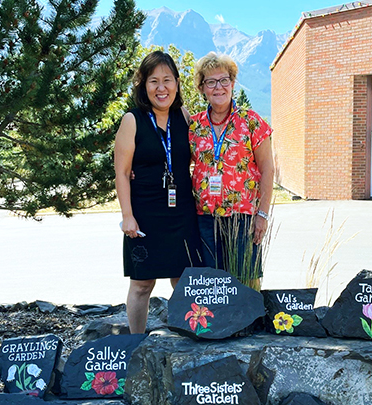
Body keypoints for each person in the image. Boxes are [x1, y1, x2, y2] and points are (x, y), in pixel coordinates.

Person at [114, 51, 202, 333]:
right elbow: (122, 173)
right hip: (145, 214)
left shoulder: (184, 117)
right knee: (142, 284)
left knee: (183, 280)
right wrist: (127, 216)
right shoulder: (132, 120)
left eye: (167, 80)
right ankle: (135, 343)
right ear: (144, 85)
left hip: (181, 212)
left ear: (177, 83)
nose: (161, 88)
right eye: (154, 81)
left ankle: (183, 338)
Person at [189, 52, 274, 289]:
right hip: (205, 219)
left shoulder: (252, 122)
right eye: (211, 82)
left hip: (243, 217)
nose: (219, 87)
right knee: (210, 284)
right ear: (202, 88)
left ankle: (249, 327)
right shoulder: (194, 126)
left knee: (246, 280)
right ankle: (216, 326)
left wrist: (263, 215)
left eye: (224, 80)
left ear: (233, 83)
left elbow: (268, 170)